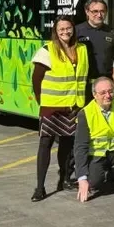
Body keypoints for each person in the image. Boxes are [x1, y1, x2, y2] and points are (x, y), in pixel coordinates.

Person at [31, 16, 88, 202]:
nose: (65, 32)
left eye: (68, 28)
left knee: (66, 144)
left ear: (73, 29)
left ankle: (63, 179)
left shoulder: (82, 49)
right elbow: (36, 79)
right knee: (45, 144)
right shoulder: (47, 50)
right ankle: (40, 187)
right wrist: (42, 101)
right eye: (61, 29)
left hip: (73, 104)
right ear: (55, 31)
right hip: (51, 106)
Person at [75, 0, 114, 80]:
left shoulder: (113, 33)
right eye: (95, 11)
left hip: (106, 81)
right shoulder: (76, 31)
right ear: (87, 11)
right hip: (84, 81)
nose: (99, 15)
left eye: (102, 11)